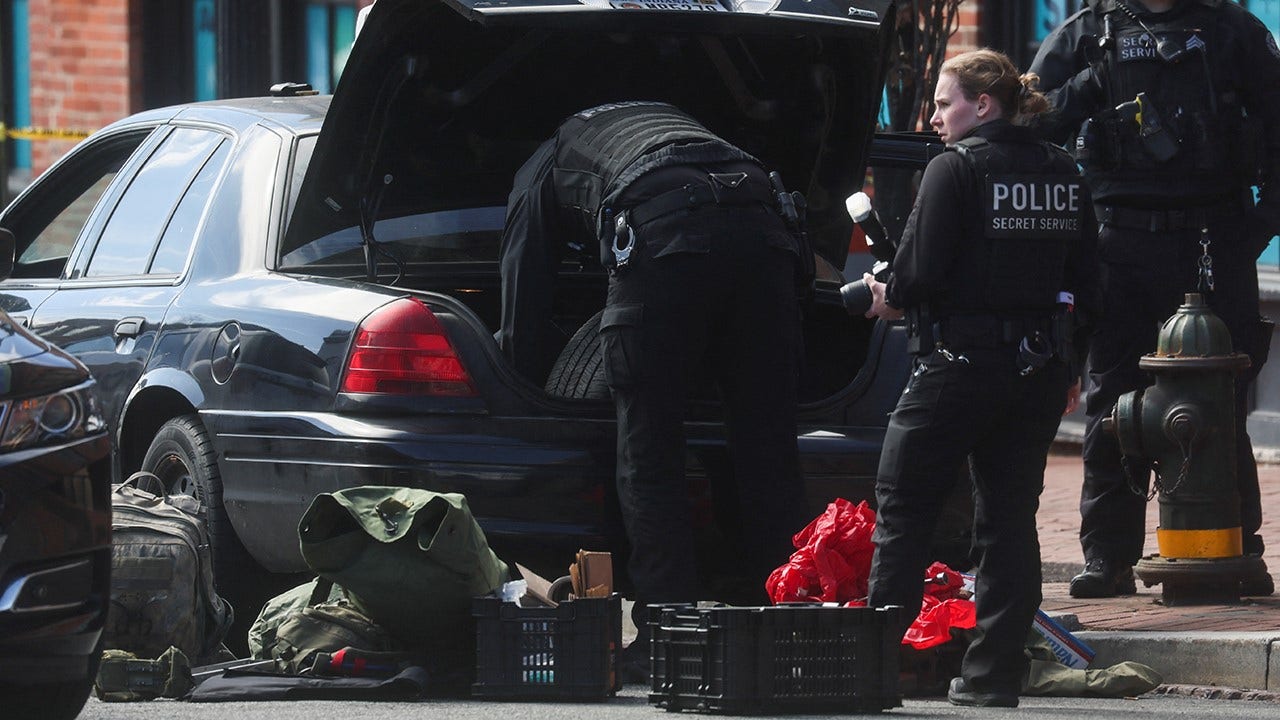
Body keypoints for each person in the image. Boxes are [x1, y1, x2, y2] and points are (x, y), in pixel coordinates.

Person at [496, 101, 810, 673]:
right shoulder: (682, 122)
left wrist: (523, 382)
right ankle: (789, 622)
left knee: (651, 448)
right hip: (766, 228)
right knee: (768, 447)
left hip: (664, 238)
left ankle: (671, 631)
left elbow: (525, 283)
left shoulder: (550, 156)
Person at [851, 49, 1097, 708]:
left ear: (981, 105)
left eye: (943, 102)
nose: (934, 118)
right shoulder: (1065, 171)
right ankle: (994, 678)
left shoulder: (954, 169)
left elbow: (916, 278)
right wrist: (1071, 364)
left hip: (955, 369)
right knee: (1008, 521)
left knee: (902, 512)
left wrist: (885, 293)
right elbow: (1090, 283)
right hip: (1037, 374)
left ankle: (873, 673)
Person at [1029, 0, 1280, 599]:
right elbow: (1029, 130)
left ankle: (1231, 546)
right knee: (1113, 405)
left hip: (1214, 237)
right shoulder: (1087, 33)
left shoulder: (1233, 31)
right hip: (1118, 240)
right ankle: (1109, 558)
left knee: (1219, 397)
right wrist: (1090, 85)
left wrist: (1257, 229)